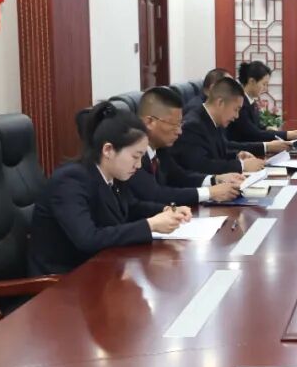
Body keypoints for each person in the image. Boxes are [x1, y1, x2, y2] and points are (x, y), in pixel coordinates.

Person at [28, 102, 190, 275]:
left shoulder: (113, 174)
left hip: (99, 268)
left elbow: (132, 207)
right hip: (62, 279)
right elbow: (88, 238)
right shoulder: (70, 181)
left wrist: (167, 210)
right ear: (108, 150)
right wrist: (150, 225)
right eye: (135, 156)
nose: (138, 165)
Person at [130, 86, 244, 206]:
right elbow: (156, 194)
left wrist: (215, 179)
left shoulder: (160, 148)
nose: (179, 131)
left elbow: (179, 177)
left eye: (180, 124)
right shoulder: (133, 153)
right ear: (149, 122)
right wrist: (210, 193)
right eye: (174, 125)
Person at [171, 77, 268, 176]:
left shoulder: (216, 120)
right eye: (236, 109)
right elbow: (201, 166)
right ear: (220, 103)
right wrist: (241, 166)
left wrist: (237, 155)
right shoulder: (193, 126)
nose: (237, 116)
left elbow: (217, 153)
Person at [228, 60, 297, 148]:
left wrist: (267, 128)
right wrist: (287, 134)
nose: (266, 88)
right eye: (264, 84)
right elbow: (253, 134)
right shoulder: (240, 104)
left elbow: (256, 127)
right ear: (252, 81)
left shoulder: (250, 101)